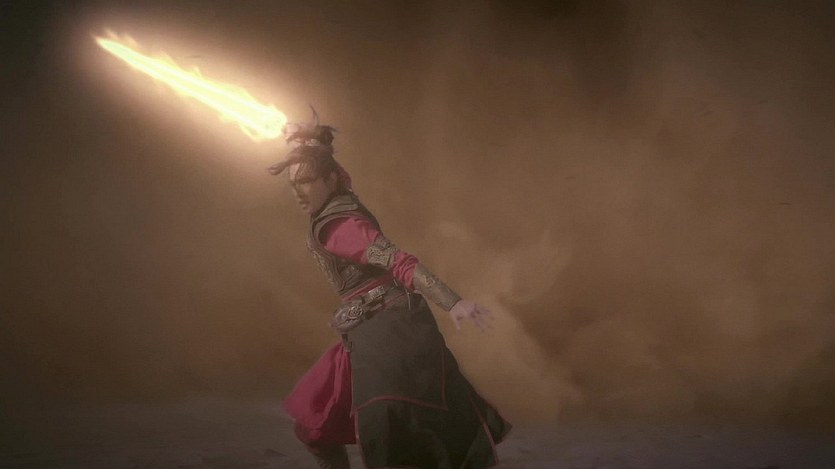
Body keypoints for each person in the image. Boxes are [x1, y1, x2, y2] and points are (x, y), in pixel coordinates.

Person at [269, 123, 510, 469]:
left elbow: (398, 261)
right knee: (314, 427)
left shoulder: (342, 226)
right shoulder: (335, 204)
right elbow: (331, 167)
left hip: (391, 334)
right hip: (366, 331)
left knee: (393, 431)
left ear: (331, 180)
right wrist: (307, 139)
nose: (298, 192)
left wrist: (453, 301)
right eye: (293, 184)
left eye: (306, 181)